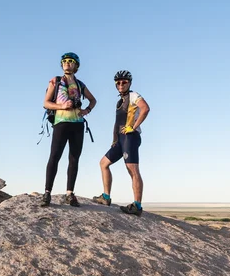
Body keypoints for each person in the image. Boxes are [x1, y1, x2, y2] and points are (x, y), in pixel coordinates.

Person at [41, 52, 97, 207]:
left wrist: (87, 110)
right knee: (55, 156)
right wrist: (62, 106)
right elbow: (46, 103)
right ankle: (47, 193)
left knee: (74, 158)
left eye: (71, 61)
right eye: (65, 61)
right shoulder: (56, 81)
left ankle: (69, 193)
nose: (67, 63)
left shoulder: (80, 84)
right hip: (61, 122)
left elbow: (93, 100)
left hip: (78, 124)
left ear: (76, 66)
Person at [92, 70, 150, 216]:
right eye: (118, 82)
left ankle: (137, 205)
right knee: (103, 163)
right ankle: (106, 197)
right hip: (120, 140)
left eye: (124, 82)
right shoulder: (120, 100)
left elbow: (145, 108)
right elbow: (117, 122)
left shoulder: (133, 95)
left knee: (132, 169)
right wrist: (114, 139)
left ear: (129, 83)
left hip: (131, 137)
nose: (121, 84)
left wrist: (133, 127)